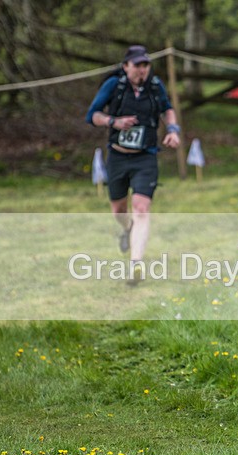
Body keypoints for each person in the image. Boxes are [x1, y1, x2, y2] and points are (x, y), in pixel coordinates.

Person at [85, 45, 181, 285]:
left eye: (145, 65)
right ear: (126, 66)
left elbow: (167, 110)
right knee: (119, 211)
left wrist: (172, 129)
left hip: (145, 157)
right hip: (117, 157)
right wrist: (113, 121)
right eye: (137, 65)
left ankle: (135, 264)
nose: (142, 70)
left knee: (141, 208)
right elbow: (93, 115)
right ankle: (127, 228)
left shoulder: (155, 86)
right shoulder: (114, 86)